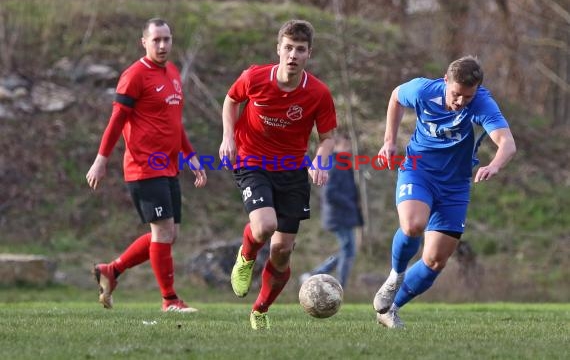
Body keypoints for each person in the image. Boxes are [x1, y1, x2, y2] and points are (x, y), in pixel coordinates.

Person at [373, 55, 516, 328]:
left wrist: (495, 165)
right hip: (419, 170)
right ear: (445, 81)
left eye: (468, 96)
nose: (461, 101)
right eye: (456, 94)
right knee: (414, 225)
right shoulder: (423, 91)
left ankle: (389, 309)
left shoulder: (482, 103)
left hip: (456, 184)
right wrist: (389, 141)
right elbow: (395, 97)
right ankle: (395, 277)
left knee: (436, 260)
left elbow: (507, 142)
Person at [218, 19, 337, 330]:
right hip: (251, 160)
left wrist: (320, 162)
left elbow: (327, 138)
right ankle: (245, 257)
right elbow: (231, 100)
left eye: (300, 49)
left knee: (282, 251)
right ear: (279, 49)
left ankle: (260, 310)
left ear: (309, 53)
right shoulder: (255, 77)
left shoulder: (319, 93)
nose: (293, 55)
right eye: (288, 48)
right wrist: (228, 136)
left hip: (292, 170)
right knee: (264, 226)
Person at [86, 18, 207, 313]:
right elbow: (117, 121)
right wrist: (101, 159)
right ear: (144, 42)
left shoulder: (173, 73)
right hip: (143, 167)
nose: (163, 45)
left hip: (168, 167)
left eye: (167, 39)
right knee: (164, 233)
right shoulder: (135, 75)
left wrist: (191, 156)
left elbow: (174, 124)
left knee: (168, 235)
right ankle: (169, 300)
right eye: (156, 40)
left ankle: (111, 271)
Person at [299, 133, 363, 289]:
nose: (348, 149)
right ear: (336, 146)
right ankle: (337, 283)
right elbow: (329, 193)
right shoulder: (335, 165)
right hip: (339, 216)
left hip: (345, 215)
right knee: (348, 251)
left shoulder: (343, 164)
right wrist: (350, 204)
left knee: (347, 250)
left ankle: (317, 274)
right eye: (345, 146)